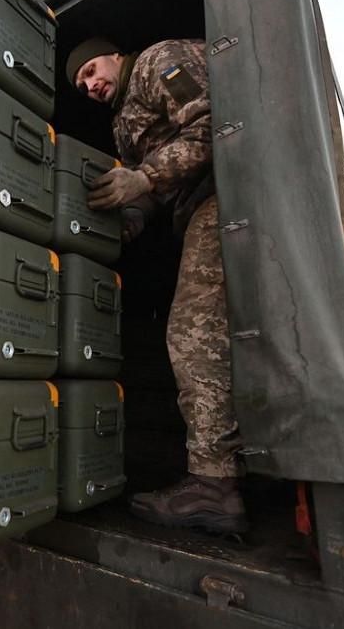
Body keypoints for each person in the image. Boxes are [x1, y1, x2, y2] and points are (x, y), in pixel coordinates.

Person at [67, 37, 246, 534]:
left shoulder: (156, 61)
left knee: (191, 336)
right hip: (193, 209)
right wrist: (127, 220)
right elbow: (147, 194)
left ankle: (214, 485)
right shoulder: (122, 125)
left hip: (226, 192)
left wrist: (143, 177)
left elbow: (215, 124)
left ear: (115, 56)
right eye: (82, 83)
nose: (90, 84)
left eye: (92, 69)